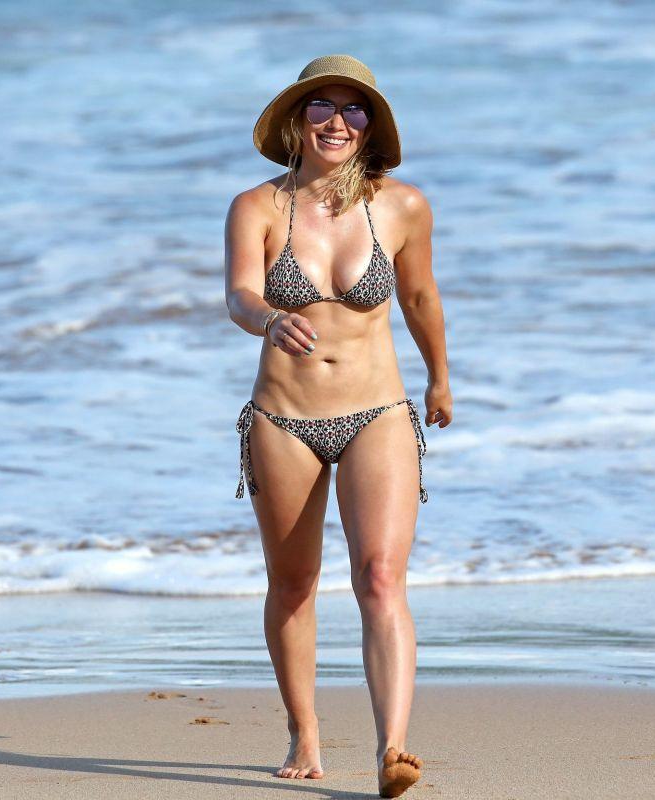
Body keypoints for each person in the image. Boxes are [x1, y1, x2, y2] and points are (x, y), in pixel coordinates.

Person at [224, 54, 451, 798]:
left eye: (354, 109)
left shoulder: (403, 206)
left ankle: (393, 747)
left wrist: (440, 377)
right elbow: (239, 294)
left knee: (380, 577)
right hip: (283, 418)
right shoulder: (256, 206)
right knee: (294, 584)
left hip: (377, 411)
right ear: (297, 120)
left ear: (370, 126)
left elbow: (419, 297)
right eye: (321, 106)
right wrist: (268, 318)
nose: (337, 121)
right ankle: (305, 730)